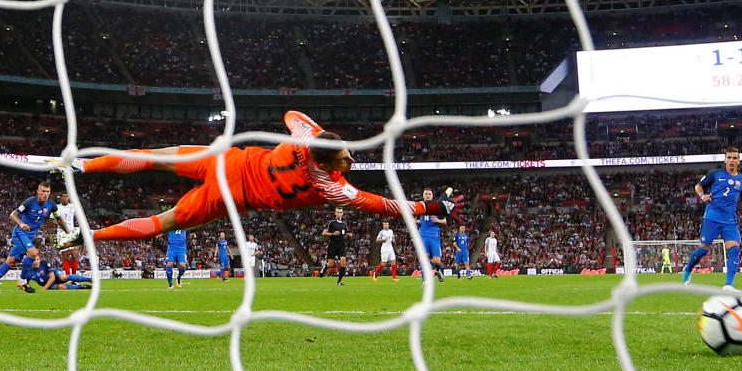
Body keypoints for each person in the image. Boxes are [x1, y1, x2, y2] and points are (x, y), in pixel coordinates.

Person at [54, 110, 462, 250]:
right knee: (162, 223)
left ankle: (80, 168)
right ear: (331, 161)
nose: (351, 157)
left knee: (151, 159)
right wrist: (430, 207)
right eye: (345, 155)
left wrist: (317, 134)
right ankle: (87, 235)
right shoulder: (332, 187)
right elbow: (381, 205)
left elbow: (292, 114)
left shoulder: (304, 140)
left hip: (225, 162)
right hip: (233, 196)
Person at [682, 148, 742, 292]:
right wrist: (703, 196)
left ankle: (728, 285)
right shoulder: (715, 174)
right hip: (712, 217)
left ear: (739, 161)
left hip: (730, 220)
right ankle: (688, 269)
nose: (732, 160)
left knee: (735, 250)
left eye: (735, 158)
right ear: (725, 160)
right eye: (730, 158)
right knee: (703, 250)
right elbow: (698, 186)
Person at [0, 181, 72, 294]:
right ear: (38, 192)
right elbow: (13, 215)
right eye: (43, 191)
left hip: (30, 237)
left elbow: (59, 219)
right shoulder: (30, 202)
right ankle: (23, 281)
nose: (45, 194)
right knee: (33, 253)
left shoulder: (51, 205)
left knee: (10, 262)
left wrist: (68, 233)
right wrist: (21, 223)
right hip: (20, 233)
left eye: (47, 192)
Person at [417, 187, 449, 282]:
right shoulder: (419, 205)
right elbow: (419, 218)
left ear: (432, 196)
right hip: (423, 234)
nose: (427, 196)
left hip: (434, 235)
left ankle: (438, 271)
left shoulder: (438, 206)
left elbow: (445, 221)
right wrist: (417, 221)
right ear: (423, 196)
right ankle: (425, 281)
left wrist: (437, 220)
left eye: (429, 194)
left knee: (436, 261)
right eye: (426, 194)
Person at [18, 255, 92, 291]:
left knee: (63, 277)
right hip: (46, 283)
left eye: (37, 259)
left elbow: (52, 277)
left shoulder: (44, 263)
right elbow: (21, 283)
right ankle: (82, 287)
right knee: (61, 287)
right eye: (34, 260)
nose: (36, 262)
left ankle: (89, 279)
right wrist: (23, 288)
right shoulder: (28, 271)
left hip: (54, 275)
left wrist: (44, 288)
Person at [320, 207, 349, 285]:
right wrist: (333, 234)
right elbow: (324, 233)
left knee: (343, 262)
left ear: (342, 213)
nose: (339, 214)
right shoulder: (332, 223)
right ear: (335, 213)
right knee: (331, 264)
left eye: (340, 212)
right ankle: (324, 268)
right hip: (332, 245)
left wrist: (348, 235)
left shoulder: (344, 224)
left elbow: (344, 234)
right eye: (338, 212)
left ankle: (339, 281)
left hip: (341, 245)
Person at [56, 191, 79, 276]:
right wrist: (61, 224)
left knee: (73, 254)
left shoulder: (73, 207)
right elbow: (51, 220)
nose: (65, 198)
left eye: (66, 196)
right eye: (63, 196)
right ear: (60, 198)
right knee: (65, 256)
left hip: (71, 233)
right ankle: (68, 276)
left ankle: (74, 276)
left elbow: (79, 217)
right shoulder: (57, 208)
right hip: (61, 234)